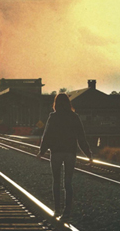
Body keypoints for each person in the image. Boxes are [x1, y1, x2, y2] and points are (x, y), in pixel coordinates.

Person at [36, 93, 92, 221]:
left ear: (56, 104)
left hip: (56, 153)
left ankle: (57, 210)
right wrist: (88, 154)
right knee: (68, 182)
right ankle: (66, 212)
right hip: (70, 153)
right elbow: (81, 138)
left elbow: (47, 135)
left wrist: (42, 151)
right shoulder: (74, 117)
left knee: (56, 181)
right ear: (68, 103)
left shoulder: (53, 117)